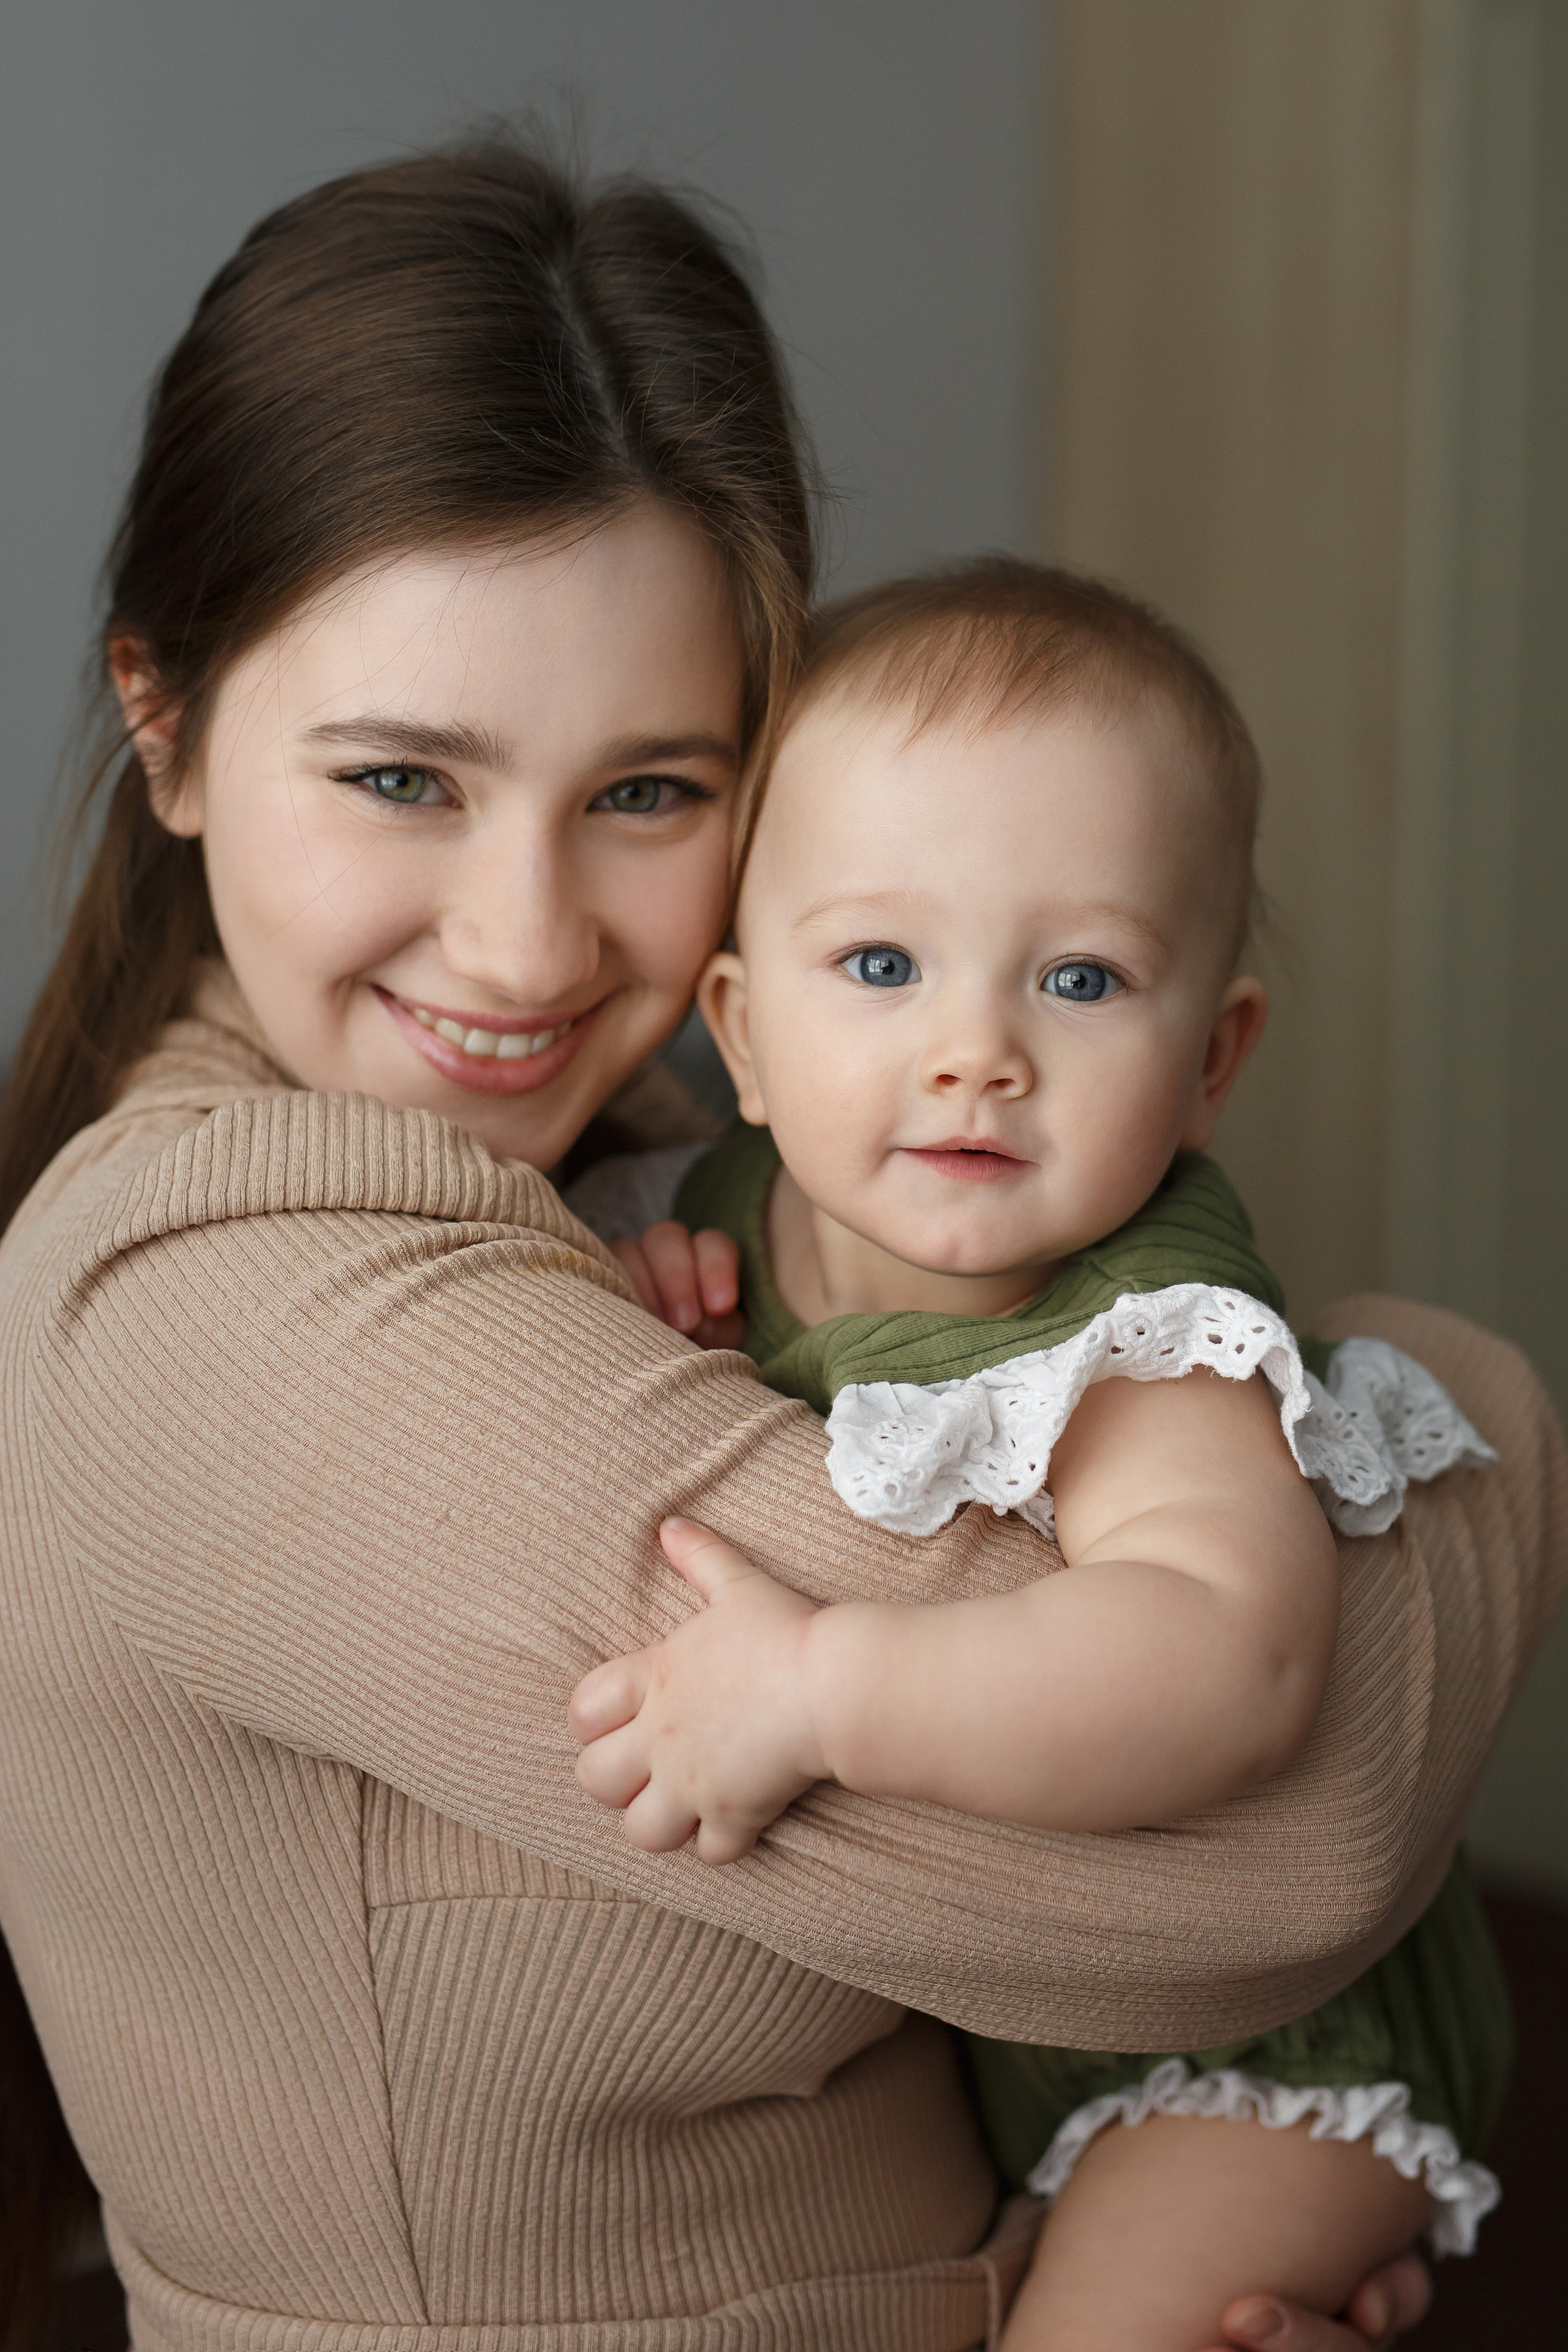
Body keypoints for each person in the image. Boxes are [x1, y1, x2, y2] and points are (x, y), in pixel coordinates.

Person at [0, 145, 1560, 2352]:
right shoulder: (230, 1309)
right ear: (167, 727)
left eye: (648, 792)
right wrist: (1465, 1402)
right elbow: (1278, 1854)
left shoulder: (673, 1190)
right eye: (399, 781)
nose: (532, 940)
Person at [568, 560, 1520, 2348]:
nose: (974, 1053)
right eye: (879, 964)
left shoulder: (1145, 1336)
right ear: (743, 1033)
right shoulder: (710, 1211)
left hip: (1247, 2059)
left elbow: (1231, 1653)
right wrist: (649, 1288)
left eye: (1080, 978)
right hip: (999, 2031)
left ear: (1211, 1061)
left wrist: (823, 1690)